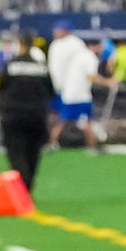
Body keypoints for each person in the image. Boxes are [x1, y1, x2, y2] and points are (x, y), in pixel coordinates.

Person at [0, 33, 54, 197]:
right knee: (33, 153)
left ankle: (21, 186)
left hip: (13, 115)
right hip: (37, 116)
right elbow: (51, 91)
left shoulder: (10, 66)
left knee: (16, 152)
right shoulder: (41, 67)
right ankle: (28, 187)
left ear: (20, 45)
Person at [46, 19, 101, 153]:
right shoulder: (55, 44)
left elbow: (80, 68)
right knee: (60, 116)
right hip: (61, 87)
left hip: (71, 87)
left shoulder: (75, 44)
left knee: (68, 118)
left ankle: (87, 145)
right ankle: (52, 142)